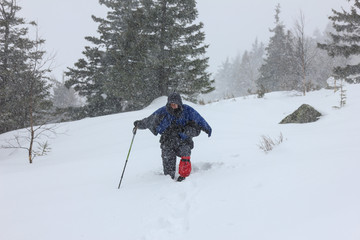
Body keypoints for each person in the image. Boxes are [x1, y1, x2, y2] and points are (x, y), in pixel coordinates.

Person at [133, 92, 212, 182]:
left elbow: (199, 120)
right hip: (167, 141)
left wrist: (207, 129)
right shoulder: (163, 111)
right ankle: (168, 178)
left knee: (185, 153)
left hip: (183, 140)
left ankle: (183, 176)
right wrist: (139, 124)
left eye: (175, 104)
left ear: (179, 103)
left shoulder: (188, 110)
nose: (173, 105)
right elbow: (150, 120)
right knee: (167, 159)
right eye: (171, 104)